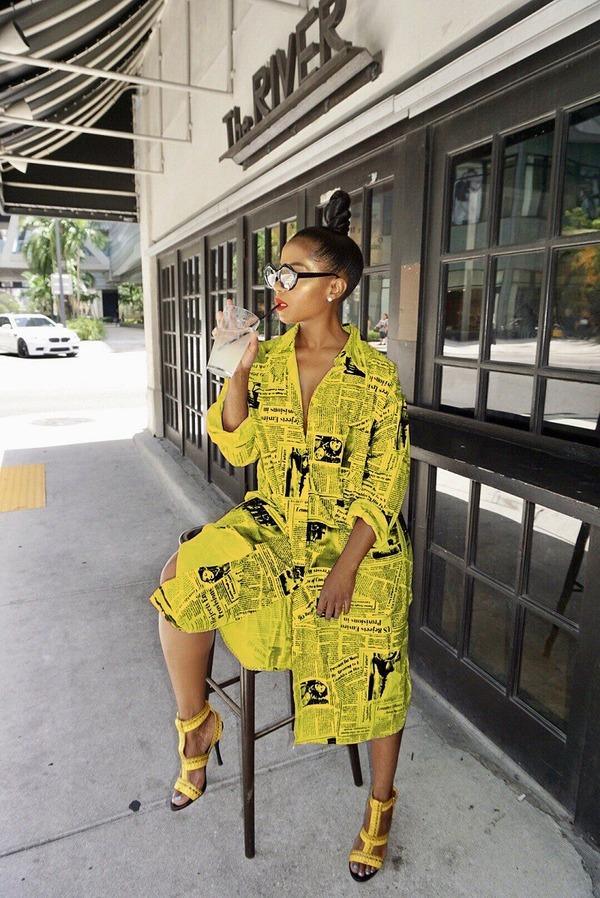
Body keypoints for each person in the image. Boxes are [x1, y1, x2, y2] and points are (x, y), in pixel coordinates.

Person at [149, 189, 413, 882]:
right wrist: (237, 370)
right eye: (276, 274)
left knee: (379, 663)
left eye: (291, 275)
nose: (277, 287)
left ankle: (380, 806)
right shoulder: (266, 361)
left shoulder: (376, 377)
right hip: (275, 525)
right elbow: (239, 448)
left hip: (359, 543)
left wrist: (346, 567)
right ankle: (196, 726)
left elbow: (384, 483)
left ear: (336, 287)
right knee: (179, 582)